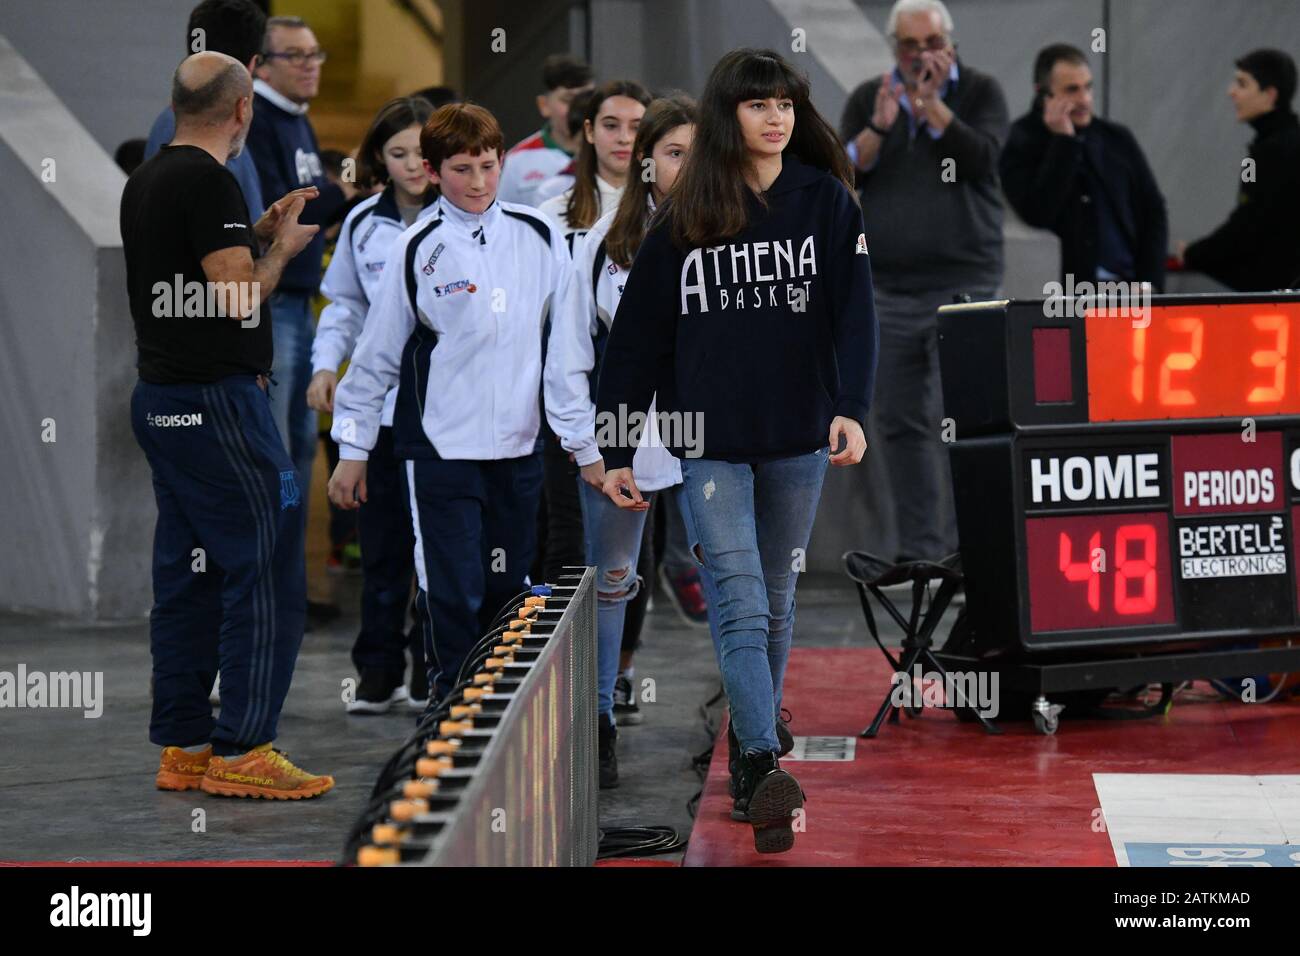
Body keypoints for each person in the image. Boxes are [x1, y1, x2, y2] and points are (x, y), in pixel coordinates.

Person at [595, 49, 877, 852]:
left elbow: (857, 317)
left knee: (778, 603)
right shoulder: (685, 213)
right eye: (757, 105)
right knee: (740, 598)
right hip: (707, 443)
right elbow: (638, 344)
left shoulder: (827, 202)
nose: (775, 117)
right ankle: (758, 758)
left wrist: (852, 408)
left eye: (785, 102)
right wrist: (617, 445)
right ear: (731, 116)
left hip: (798, 437)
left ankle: (756, 753)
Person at [121, 51, 333, 799]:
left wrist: (253, 231)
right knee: (269, 566)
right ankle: (245, 748)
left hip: (164, 401)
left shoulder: (149, 176)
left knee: (189, 576)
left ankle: (184, 744)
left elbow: (197, 271)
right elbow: (238, 299)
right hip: (217, 405)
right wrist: (279, 248)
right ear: (243, 109)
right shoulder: (208, 180)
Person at [327, 103, 573, 708]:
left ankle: (499, 709)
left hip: (520, 448)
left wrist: (582, 444)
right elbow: (375, 356)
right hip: (439, 450)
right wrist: (353, 449)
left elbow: (566, 352)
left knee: (507, 587)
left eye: (489, 166)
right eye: (463, 169)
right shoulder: (414, 248)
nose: (480, 182)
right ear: (434, 172)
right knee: (451, 588)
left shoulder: (540, 235)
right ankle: (448, 707)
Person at [545, 94, 696, 787]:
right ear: (645, 162)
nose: (685, 166)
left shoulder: (736, 232)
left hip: (715, 436)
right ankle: (598, 725)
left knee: (732, 578)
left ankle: (753, 730)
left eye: (698, 153)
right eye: (672, 152)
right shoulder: (604, 239)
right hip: (625, 434)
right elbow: (570, 353)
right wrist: (589, 450)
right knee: (611, 585)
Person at [839, 0, 1006, 565]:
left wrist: (932, 106)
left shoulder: (980, 92)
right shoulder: (871, 97)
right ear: (895, 49)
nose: (921, 55)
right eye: (910, 46)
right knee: (901, 424)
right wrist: (881, 126)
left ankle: (974, 555)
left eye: (931, 42)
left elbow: (983, 160)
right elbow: (845, 171)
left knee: (971, 418)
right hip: (888, 288)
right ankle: (922, 554)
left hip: (965, 282)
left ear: (950, 42)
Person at [308, 97, 437, 714]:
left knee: (437, 549)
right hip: (379, 413)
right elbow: (345, 308)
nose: (414, 164)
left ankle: (430, 668)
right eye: (398, 153)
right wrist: (324, 366)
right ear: (379, 161)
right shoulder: (362, 222)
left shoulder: (469, 218)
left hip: (449, 416)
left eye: (422, 150)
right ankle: (378, 669)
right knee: (382, 547)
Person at [244, 14, 347, 518]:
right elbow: (280, 211)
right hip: (275, 299)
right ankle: (274, 587)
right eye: (296, 56)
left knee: (303, 444)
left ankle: (289, 590)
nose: (310, 66)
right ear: (261, 66)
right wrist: (343, 194)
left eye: (315, 54)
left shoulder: (296, 115)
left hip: (301, 298)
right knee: (281, 448)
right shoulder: (260, 120)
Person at [1000, 43, 1167, 290]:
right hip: (1066, 293)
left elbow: (1153, 210)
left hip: (1128, 285)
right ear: (1043, 94)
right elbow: (1037, 211)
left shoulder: (1116, 139)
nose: (1085, 100)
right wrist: (1064, 142)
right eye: (1072, 90)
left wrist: (1152, 283)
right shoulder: (1020, 140)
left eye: (1088, 87)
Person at [1178, 49, 1300, 291]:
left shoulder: (1274, 152)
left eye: (1242, 84)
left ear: (1269, 95)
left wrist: (1194, 254)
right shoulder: (1281, 144)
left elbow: (1248, 226)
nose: (1231, 92)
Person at [144, 0, 267, 221]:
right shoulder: (203, 136)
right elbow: (215, 244)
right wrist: (279, 250)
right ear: (252, 63)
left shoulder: (173, 123)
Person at [538, 80, 651, 251]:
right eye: (611, 125)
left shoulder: (665, 215)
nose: (624, 138)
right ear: (590, 131)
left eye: (636, 127)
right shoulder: (551, 213)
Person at [498, 54, 594, 207]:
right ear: (544, 105)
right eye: (568, 100)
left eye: (588, 98)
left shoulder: (613, 154)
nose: (580, 107)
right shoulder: (518, 160)